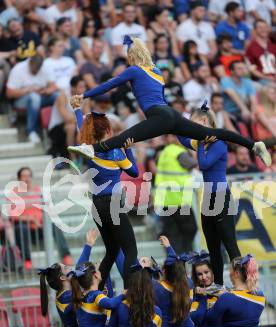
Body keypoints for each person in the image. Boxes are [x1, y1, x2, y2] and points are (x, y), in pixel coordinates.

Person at [68, 36, 271, 166]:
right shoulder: (156, 71)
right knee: (213, 133)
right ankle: (254, 145)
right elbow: (160, 104)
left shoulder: (134, 70)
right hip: (171, 114)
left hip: (160, 115)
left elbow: (109, 84)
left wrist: (84, 96)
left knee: (126, 137)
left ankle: (91, 149)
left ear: (132, 55)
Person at [71, 100, 139, 288]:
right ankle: (130, 292)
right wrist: (129, 150)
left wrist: (76, 109)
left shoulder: (89, 149)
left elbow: (80, 127)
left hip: (97, 205)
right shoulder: (116, 152)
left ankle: (96, 290)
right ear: (108, 131)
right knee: (130, 250)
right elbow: (134, 172)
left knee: (111, 251)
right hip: (113, 204)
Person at [178, 102, 241, 284]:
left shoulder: (218, 142)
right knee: (212, 246)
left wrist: (198, 143)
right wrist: (173, 123)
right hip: (208, 199)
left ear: (204, 121)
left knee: (230, 244)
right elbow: (182, 138)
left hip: (221, 196)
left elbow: (204, 164)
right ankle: (219, 285)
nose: (192, 128)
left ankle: (243, 284)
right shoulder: (203, 143)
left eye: (194, 123)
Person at [38, 229, 98, 327]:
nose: (71, 268)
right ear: (63, 278)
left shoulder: (67, 292)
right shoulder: (65, 296)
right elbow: (79, 300)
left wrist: (89, 244)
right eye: (66, 268)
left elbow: (79, 270)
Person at [11, 167, 72, 269]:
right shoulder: (15, 194)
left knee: (53, 225)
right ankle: (27, 260)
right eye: (24, 176)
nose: (27, 178)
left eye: (29, 176)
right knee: (21, 229)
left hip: (39, 226)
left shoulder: (37, 191)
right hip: (25, 228)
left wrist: (41, 221)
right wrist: (30, 219)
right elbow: (13, 216)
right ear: (19, 179)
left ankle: (66, 255)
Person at [154, 134, 197, 254]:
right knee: (190, 229)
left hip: (166, 201)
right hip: (179, 201)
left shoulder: (162, 153)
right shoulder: (178, 152)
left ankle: (177, 261)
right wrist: (191, 151)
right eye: (174, 136)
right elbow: (193, 164)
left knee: (173, 235)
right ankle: (185, 255)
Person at [6, 55, 58, 144]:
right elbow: (9, 93)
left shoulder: (45, 67)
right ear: (29, 63)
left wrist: (46, 91)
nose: (36, 71)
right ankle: (31, 131)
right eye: (34, 69)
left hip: (41, 95)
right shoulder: (18, 69)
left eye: (38, 69)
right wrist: (28, 90)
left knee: (58, 96)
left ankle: (54, 128)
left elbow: (53, 86)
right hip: (21, 99)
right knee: (34, 97)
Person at [48, 75, 90, 160]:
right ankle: (72, 158)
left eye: (84, 87)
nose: (84, 89)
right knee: (71, 127)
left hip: (76, 125)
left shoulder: (84, 98)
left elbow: (88, 116)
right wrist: (81, 123)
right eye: (81, 87)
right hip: (57, 128)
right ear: (73, 88)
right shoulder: (62, 96)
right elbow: (66, 118)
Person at [246, 19, 276, 84]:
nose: (263, 30)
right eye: (260, 28)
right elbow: (252, 69)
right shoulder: (251, 48)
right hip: (263, 80)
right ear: (255, 30)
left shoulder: (274, 44)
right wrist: (267, 77)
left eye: (265, 27)